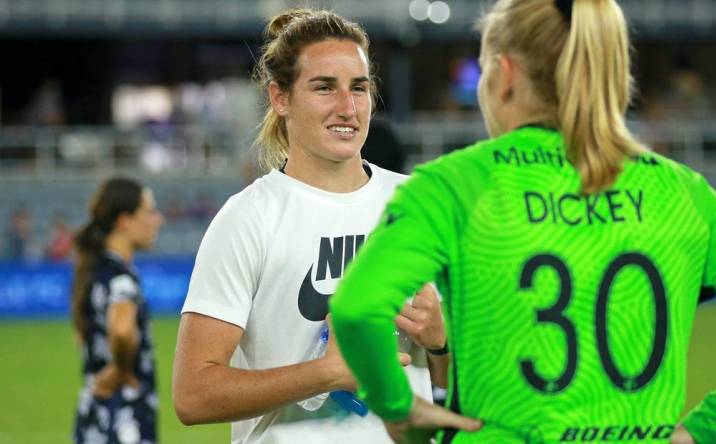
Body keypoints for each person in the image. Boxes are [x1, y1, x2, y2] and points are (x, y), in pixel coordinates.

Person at [329, 0, 716, 443]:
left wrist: (398, 407)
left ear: (504, 76)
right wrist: (704, 430)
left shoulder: (455, 185)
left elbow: (357, 307)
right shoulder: (682, 192)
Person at [172, 9, 452, 444]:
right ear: (280, 98)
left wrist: (441, 344)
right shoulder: (248, 219)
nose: (347, 107)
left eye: (359, 88)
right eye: (324, 87)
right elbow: (192, 396)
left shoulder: (421, 205)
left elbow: (468, 390)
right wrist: (325, 374)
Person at [71, 177, 165, 443]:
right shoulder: (121, 278)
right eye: (149, 212)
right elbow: (122, 329)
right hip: (123, 414)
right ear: (124, 220)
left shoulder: (93, 271)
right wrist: (121, 369)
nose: (158, 220)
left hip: (94, 410)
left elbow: (82, 336)